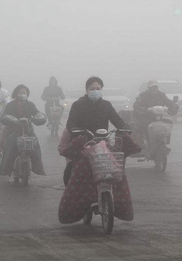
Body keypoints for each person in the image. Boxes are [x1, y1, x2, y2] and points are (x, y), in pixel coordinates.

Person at [58, 76, 141, 224]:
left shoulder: (106, 105)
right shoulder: (78, 105)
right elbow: (71, 123)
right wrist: (77, 131)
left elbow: (117, 120)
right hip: (84, 142)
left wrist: (125, 128)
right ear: (87, 90)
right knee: (78, 169)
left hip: (103, 141)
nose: (95, 91)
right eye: (92, 89)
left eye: (98, 89)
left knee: (114, 167)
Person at [0, 84, 46, 177]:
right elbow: (4, 116)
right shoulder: (11, 105)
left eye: (24, 93)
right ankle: (6, 169)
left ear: (27, 94)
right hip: (13, 130)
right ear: (16, 94)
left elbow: (37, 113)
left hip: (27, 130)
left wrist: (39, 117)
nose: (22, 94)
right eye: (20, 93)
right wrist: (12, 120)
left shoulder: (31, 105)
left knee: (35, 145)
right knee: (11, 145)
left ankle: (38, 168)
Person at [133, 78, 179, 151]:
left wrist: (174, 105)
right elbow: (136, 105)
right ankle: (145, 143)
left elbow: (169, 102)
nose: (154, 89)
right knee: (143, 126)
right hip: (146, 118)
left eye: (155, 87)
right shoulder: (143, 95)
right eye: (152, 87)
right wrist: (145, 110)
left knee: (169, 123)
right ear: (149, 88)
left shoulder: (161, 95)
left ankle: (164, 142)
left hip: (159, 118)